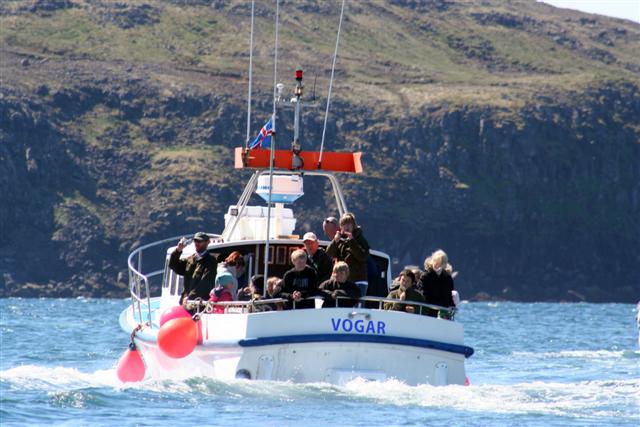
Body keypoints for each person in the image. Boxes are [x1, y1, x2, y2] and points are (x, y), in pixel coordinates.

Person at [326, 213, 370, 298]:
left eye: (349, 223)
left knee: (356, 305)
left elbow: (363, 257)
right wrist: (335, 241)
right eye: (344, 224)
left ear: (353, 225)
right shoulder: (339, 240)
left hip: (358, 281)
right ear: (341, 227)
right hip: (343, 281)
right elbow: (328, 254)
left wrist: (351, 241)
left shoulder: (360, 238)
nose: (347, 226)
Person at [169, 232, 217, 307]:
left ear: (207, 242)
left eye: (200, 241)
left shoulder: (210, 260)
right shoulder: (190, 259)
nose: (197, 243)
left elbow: (205, 282)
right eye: (195, 241)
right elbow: (173, 265)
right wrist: (178, 250)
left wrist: (191, 298)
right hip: (186, 302)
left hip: (200, 304)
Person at [420, 249, 455, 318]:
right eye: (435, 262)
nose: (437, 265)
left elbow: (450, 296)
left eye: (440, 263)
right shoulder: (425, 276)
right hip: (428, 311)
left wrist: (451, 306)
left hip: (443, 313)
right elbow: (423, 295)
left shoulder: (448, 278)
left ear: (444, 265)